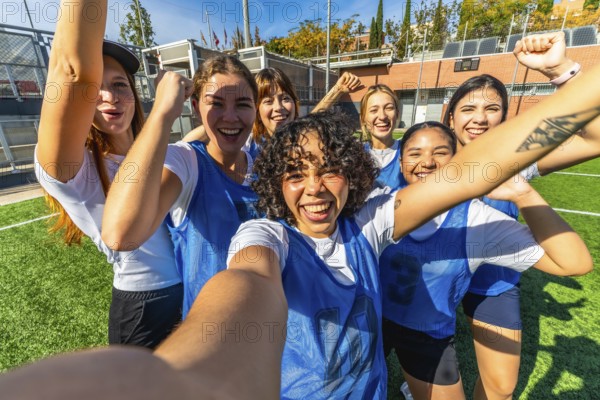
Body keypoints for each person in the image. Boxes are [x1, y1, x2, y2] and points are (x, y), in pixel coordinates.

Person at [3, 62, 600, 397]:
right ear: (274, 185)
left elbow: (474, 170)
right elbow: (243, 294)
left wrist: (584, 90)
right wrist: (177, 376)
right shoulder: (263, 237)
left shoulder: (371, 222)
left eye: (329, 169)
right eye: (294, 174)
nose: (313, 187)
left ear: (354, 176)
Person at [380, 121, 592, 400]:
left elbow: (573, 263)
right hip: (369, 323)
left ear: (458, 160)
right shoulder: (379, 202)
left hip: (426, 337)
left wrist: (523, 194)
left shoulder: (478, 220)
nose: (427, 162)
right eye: (415, 153)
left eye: (440, 152)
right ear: (401, 161)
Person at [442, 31, 600, 400]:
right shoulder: (424, 154)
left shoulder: (517, 159)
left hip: (492, 280)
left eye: (491, 108)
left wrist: (559, 69)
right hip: (435, 273)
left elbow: (595, 140)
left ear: (505, 116)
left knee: (501, 387)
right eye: (468, 109)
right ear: (450, 118)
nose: (479, 118)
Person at [34, 0, 182, 348]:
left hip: (193, 288)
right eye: (95, 89)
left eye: (119, 85)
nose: (108, 96)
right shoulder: (73, 170)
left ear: (134, 94)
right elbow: (72, 75)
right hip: (145, 309)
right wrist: (164, 110)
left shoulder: (159, 151)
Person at [102, 54, 259, 319]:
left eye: (243, 104)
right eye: (216, 104)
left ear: (256, 107)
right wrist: (163, 113)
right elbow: (121, 235)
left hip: (269, 322)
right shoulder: (185, 161)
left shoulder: (263, 161)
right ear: (196, 108)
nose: (230, 117)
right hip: (209, 334)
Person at [183, 68, 361, 150]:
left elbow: (314, 116)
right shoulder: (248, 143)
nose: (279, 108)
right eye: (268, 101)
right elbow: (186, 143)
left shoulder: (299, 138)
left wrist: (337, 89)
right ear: (255, 108)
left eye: (285, 98)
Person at [359, 83, 406, 189]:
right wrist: (337, 91)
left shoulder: (409, 152)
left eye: (389, 108)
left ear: (397, 114)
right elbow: (312, 133)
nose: (382, 116)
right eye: (374, 110)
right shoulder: (355, 154)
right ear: (363, 118)